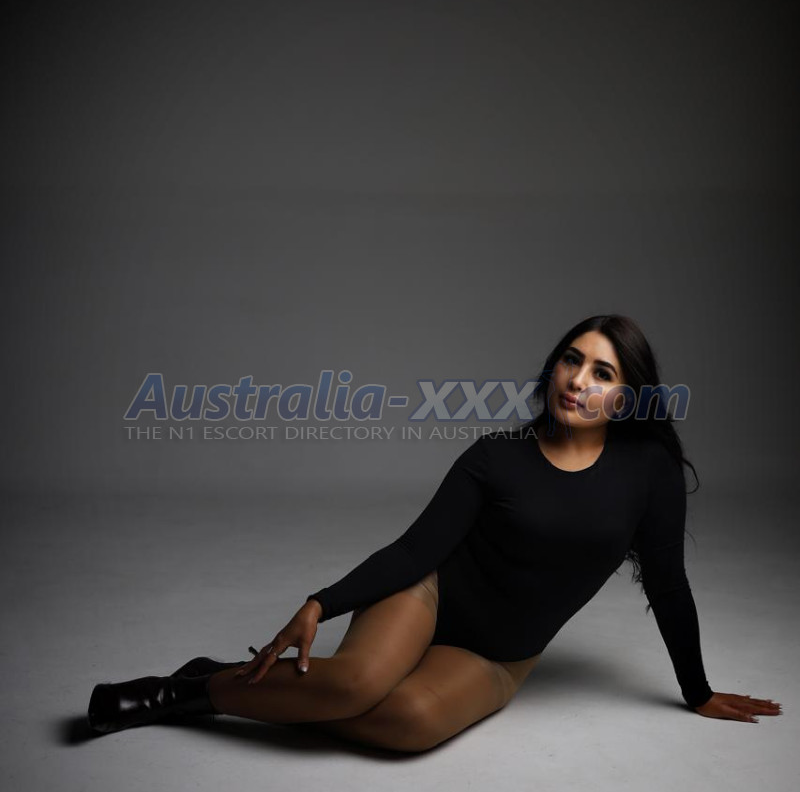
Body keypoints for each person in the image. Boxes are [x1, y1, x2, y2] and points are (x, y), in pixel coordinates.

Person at [87, 314, 782, 747]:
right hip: (429, 595)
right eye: (571, 360)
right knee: (355, 685)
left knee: (408, 723)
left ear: (627, 396)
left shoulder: (649, 472)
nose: (578, 380)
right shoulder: (497, 456)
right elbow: (416, 548)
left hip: (501, 656)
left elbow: (668, 583)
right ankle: (182, 693)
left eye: (603, 372)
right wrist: (319, 603)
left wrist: (697, 691)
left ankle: (223, 678)